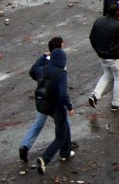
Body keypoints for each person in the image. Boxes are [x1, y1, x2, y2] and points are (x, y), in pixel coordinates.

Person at [18, 38, 70, 165]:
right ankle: (64, 151)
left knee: (38, 124)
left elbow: (33, 71)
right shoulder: (59, 63)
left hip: (42, 98)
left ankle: (25, 145)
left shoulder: (44, 63)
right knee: (64, 125)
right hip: (54, 102)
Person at [31, 47, 74, 176]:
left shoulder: (43, 69)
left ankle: (65, 153)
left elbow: (33, 70)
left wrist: (43, 57)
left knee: (63, 125)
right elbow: (63, 94)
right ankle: (44, 158)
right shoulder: (61, 74)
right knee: (60, 136)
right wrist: (70, 107)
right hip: (57, 105)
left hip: (45, 104)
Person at [87, 2, 119, 111]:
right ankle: (116, 104)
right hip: (116, 58)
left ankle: (95, 95)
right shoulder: (118, 26)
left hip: (103, 56)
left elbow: (92, 37)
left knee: (107, 75)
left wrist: (98, 50)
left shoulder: (99, 21)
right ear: (118, 12)